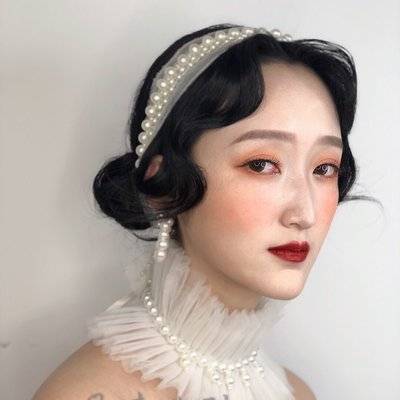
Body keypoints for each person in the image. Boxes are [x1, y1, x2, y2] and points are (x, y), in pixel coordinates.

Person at [32, 23, 375, 400]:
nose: (305, 213)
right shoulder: (88, 393)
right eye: (261, 164)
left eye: (324, 168)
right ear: (165, 185)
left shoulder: (298, 394)